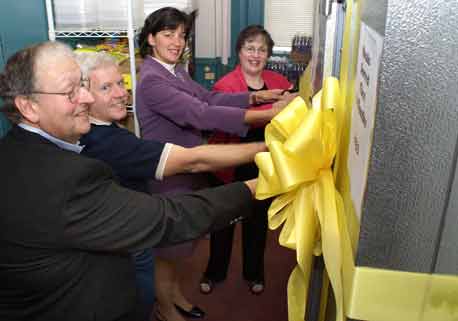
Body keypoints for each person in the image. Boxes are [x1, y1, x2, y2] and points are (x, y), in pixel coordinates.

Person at [0, 41, 258, 321]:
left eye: (83, 86)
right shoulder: (68, 178)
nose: (85, 98)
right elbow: (170, 217)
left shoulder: (16, 150)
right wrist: (259, 184)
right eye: (70, 91)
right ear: (28, 106)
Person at [75, 51, 267, 319]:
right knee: (148, 283)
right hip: (127, 241)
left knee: (176, 252)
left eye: (121, 83)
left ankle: (173, 299)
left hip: (132, 223)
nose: (121, 93)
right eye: (106, 87)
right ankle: (165, 310)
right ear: (83, 95)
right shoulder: (108, 142)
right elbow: (194, 160)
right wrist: (266, 150)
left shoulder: (103, 128)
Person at [136, 7, 294, 321]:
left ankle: (176, 296)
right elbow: (200, 114)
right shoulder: (152, 80)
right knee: (167, 251)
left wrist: (254, 99)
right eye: (169, 34)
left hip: (190, 170)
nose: (177, 42)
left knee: (181, 247)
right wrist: (265, 116)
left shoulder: (175, 71)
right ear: (151, 38)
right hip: (170, 173)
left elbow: (207, 99)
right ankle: (166, 309)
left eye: (181, 35)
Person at [200, 25, 297, 295]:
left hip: (264, 166)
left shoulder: (280, 83)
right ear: (239, 53)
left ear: (268, 55)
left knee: (257, 224)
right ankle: (214, 272)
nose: (255, 55)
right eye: (250, 48)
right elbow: (221, 125)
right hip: (228, 166)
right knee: (223, 224)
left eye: (262, 49)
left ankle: (254, 273)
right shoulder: (224, 86)